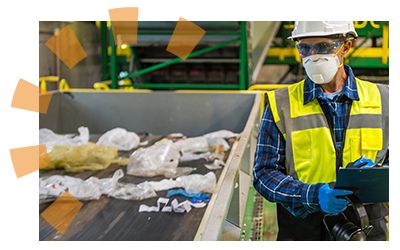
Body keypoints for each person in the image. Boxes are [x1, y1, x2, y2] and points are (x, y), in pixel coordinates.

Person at [253, 21, 389, 241]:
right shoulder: (281, 103)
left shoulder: (384, 100)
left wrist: (380, 173)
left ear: (346, 46)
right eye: (305, 48)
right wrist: (314, 195)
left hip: (365, 227)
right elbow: (263, 174)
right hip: (303, 229)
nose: (313, 56)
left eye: (324, 47)